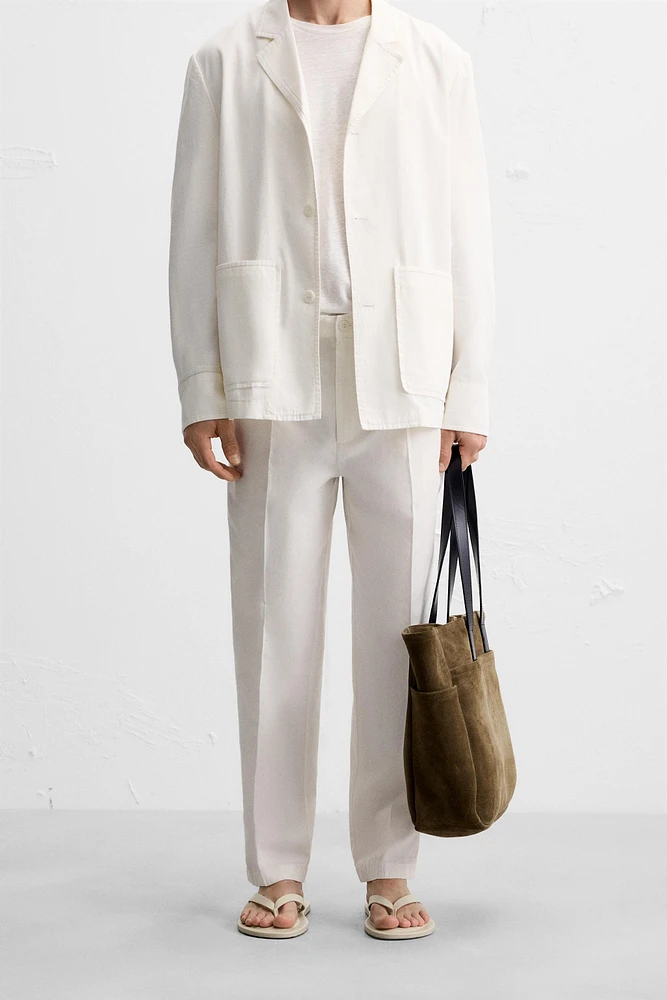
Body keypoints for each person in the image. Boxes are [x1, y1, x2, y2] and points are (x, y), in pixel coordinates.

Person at [168, 0, 494, 940]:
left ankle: (390, 868)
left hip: (404, 372)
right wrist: (201, 383)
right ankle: (277, 868)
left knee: (398, 636)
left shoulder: (435, 59)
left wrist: (469, 386)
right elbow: (193, 229)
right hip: (271, 369)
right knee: (275, 630)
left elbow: (466, 227)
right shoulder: (223, 60)